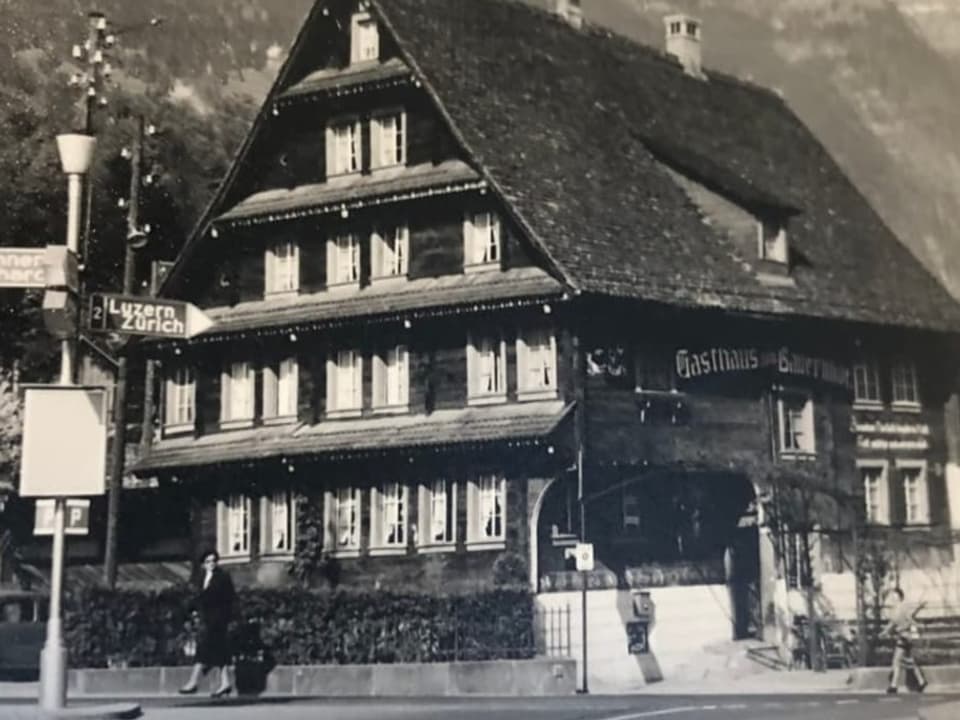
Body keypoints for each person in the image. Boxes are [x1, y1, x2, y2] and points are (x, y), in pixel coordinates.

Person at [179, 549, 236, 698]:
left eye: (214, 560)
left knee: (203, 648)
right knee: (220, 652)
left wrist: (226, 617)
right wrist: (192, 610)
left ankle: (193, 682)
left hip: (218, 620)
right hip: (207, 619)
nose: (212, 564)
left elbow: (230, 599)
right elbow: (198, 598)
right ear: (203, 564)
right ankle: (225, 683)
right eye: (208, 561)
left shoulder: (223, 577)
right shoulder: (201, 578)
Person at [881, 587, 927, 694]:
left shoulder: (903, 607)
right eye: (891, 595)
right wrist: (884, 632)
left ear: (899, 596)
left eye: (895, 595)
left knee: (896, 661)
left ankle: (894, 686)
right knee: (909, 661)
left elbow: (909, 618)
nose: (892, 597)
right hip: (902, 636)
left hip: (905, 637)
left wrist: (917, 625)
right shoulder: (894, 610)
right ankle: (921, 681)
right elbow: (892, 624)